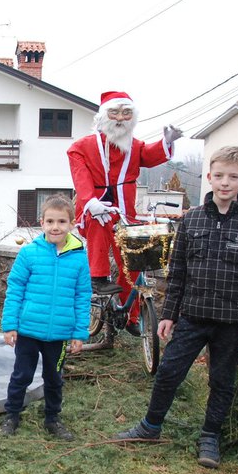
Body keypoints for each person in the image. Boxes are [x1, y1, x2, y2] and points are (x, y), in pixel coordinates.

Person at [114, 146, 238, 468]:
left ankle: (210, 438)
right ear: (210, 177)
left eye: (232, 177)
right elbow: (179, 273)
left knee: (222, 382)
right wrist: (169, 314)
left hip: (231, 323)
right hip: (192, 317)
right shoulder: (191, 221)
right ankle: (150, 426)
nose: (224, 182)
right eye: (218, 176)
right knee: (169, 372)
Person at [68, 91, 183, 335]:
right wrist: (90, 201)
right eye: (115, 112)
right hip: (94, 209)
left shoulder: (133, 145)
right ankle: (97, 278)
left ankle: (128, 314)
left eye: (126, 113)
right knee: (100, 223)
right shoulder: (80, 147)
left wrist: (167, 142)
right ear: (104, 116)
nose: (120, 118)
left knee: (134, 259)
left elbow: (150, 155)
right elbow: (80, 177)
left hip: (125, 211)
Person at [0, 194, 92, 440]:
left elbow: (83, 296)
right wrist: (10, 325)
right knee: (22, 375)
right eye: (50, 221)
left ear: (72, 224)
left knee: (54, 378)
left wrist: (79, 333)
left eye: (61, 221)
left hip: (60, 334)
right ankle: (12, 415)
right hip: (28, 330)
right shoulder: (29, 254)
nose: (55, 227)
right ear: (41, 223)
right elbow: (15, 288)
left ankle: (52, 418)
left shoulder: (80, 258)